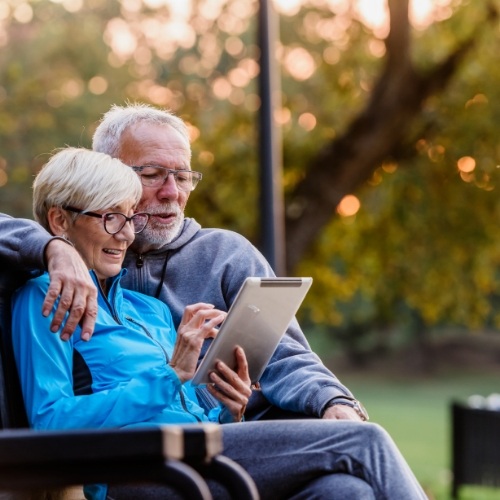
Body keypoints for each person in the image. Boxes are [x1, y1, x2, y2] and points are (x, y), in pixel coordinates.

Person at [11, 146, 427, 500]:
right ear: (60, 221)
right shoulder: (42, 298)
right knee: (363, 440)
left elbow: (184, 408)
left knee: (342, 490)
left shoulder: (147, 309)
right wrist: (170, 374)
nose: (125, 235)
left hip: (192, 455)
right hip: (135, 471)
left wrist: (228, 410)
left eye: (128, 217)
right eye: (109, 218)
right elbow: (52, 421)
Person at [2, 102, 366, 422]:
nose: (172, 192)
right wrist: (53, 248)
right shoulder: (52, 282)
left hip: (232, 441)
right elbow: (57, 418)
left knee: (350, 476)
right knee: (359, 449)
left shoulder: (216, 262)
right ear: (107, 173)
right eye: (151, 174)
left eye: (183, 176)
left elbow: (285, 355)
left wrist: (330, 401)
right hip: (158, 466)